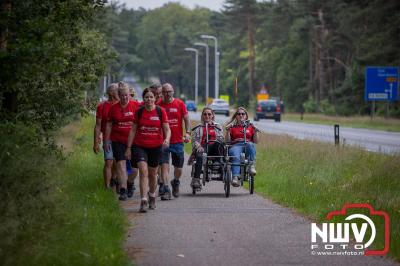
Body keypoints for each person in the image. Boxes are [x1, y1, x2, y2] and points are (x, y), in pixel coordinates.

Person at [125, 88, 171, 212]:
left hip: (156, 147)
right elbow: (133, 130)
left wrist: (167, 139)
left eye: (151, 97)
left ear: (155, 98)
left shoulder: (160, 111)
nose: (149, 99)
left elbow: (167, 129)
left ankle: (152, 195)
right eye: (146, 97)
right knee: (143, 171)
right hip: (140, 146)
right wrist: (129, 148)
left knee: (152, 174)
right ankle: (143, 200)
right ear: (143, 99)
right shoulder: (139, 112)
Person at [104, 82, 140, 200]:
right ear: (118, 95)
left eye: (126, 95)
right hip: (118, 140)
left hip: (134, 141)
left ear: (129, 94)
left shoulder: (136, 106)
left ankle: (130, 183)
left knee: (134, 169)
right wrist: (106, 140)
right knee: (120, 164)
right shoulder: (114, 108)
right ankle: (123, 189)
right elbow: (109, 125)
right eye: (122, 95)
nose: (124, 97)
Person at [158, 83, 190, 199]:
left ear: (173, 92)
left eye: (169, 91)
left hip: (177, 140)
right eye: (165, 92)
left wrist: (187, 133)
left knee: (179, 168)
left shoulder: (179, 104)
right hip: (163, 141)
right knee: (164, 166)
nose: (167, 94)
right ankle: (166, 189)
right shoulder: (158, 105)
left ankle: (175, 181)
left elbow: (186, 119)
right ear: (162, 93)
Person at [190, 107, 224, 190]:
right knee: (199, 155)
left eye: (209, 114)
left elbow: (221, 138)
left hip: (215, 148)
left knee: (219, 144)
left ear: (212, 116)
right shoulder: (198, 127)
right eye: (205, 114)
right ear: (202, 116)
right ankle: (196, 180)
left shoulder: (217, 126)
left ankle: (217, 163)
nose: (207, 116)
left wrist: (219, 140)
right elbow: (194, 140)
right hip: (203, 147)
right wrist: (198, 146)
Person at [93, 83, 119, 189]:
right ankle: (107, 187)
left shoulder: (121, 104)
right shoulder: (102, 106)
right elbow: (98, 125)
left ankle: (115, 178)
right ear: (111, 93)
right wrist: (95, 142)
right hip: (107, 138)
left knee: (118, 162)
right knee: (108, 161)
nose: (119, 93)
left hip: (120, 138)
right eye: (118, 91)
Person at [225, 107, 259, 187]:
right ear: (236, 116)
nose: (241, 115)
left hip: (247, 144)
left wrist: (256, 132)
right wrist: (228, 131)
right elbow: (227, 141)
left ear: (246, 116)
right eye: (239, 114)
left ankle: (251, 166)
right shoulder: (232, 126)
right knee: (235, 155)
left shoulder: (250, 126)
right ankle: (235, 177)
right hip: (236, 145)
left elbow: (256, 141)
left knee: (251, 144)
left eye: (243, 114)